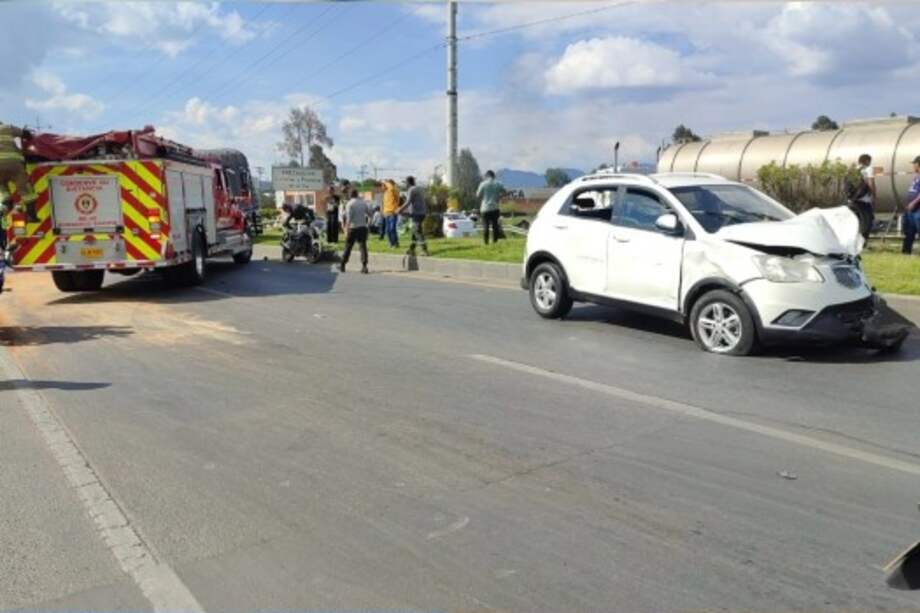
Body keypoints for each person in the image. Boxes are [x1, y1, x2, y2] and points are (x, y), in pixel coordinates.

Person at [0, 122, 38, 221]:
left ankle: (7, 203)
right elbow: (25, 134)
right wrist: (30, 137)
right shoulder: (7, 127)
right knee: (25, 190)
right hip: (14, 163)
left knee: (2, 186)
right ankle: (31, 216)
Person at [340, 189, 369, 274]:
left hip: (353, 228)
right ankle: (364, 266)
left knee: (348, 247)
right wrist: (367, 225)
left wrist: (346, 229)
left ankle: (342, 265)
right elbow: (369, 214)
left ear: (350, 195)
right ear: (357, 194)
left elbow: (349, 218)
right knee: (363, 247)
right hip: (362, 227)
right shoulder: (363, 203)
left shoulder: (350, 204)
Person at [847, 153, 876, 241]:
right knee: (868, 221)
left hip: (853, 200)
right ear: (867, 161)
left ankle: (853, 241)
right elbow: (871, 183)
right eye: (870, 161)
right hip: (864, 200)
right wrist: (874, 196)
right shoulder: (868, 169)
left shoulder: (854, 170)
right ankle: (863, 242)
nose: (870, 163)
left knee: (856, 221)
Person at [398, 176, 428, 256]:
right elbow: (415, 202)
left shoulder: (411, 190)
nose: (405, 185)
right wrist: (406, 212)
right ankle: (412, 249)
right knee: (414, 231)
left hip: (417, 213)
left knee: (417, 231)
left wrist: (400, 209)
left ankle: (424, 250)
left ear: (408, 183)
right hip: (421, 212)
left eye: (405, 183)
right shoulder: (419, 188)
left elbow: (408, 202)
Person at [476, 170, 505, 244]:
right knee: (495, 226)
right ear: (494, 176)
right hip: (495, 208)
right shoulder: (498, 183)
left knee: (486, 226)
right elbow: (504, 192)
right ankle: (494, 242)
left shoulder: (483, 184)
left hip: (485, 208)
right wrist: (498, 196)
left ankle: (486, 243)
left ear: (487, 176)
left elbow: (478, 195)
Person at [902, 155, 920, 255]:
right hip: (911, 209)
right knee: (909, 232)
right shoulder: (916, 176)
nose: (913, 166)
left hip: (918, 209)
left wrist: (913, 202)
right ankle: (906, 252)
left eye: (914, 163)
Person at [381, 179, 401, 248]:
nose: (382, 187)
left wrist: (386, 182)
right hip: (386, 213)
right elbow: (383, 204)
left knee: (392, 229)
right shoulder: (385, 193)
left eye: (384, 185)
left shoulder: (393, 190)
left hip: (393, 212)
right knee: (387, 230)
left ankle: (395, 243)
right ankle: (391, 243)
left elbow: (392, 188)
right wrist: (383, 212)